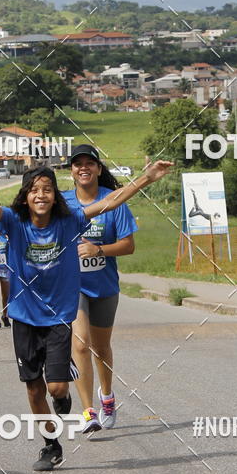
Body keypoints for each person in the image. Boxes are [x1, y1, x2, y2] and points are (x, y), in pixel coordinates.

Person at [0, 152, 173, 471]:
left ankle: (63, 394)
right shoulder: (13, 222)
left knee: (57, 388)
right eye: (34, 189)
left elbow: (109, 203)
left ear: (55, 196)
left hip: (58, 315)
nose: (41, 195)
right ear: (25, 196)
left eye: (47, 189)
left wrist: (147, 178)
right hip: (24, 317)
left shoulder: (69, 221)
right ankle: (50, 445)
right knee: (34, 389)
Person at [63, 144, 137, 434]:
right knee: (80, 344)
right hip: (73, 285)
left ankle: (107, 397)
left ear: (98, 168)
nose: (84, 168)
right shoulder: (62, 202)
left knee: (101, 347)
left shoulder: (113, 201)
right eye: (77, 163)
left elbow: (129, 246)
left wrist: (99, 249)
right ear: (71, 170)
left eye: (89, 163)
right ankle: (87, 411)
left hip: (104, 285)